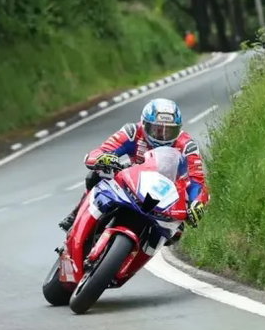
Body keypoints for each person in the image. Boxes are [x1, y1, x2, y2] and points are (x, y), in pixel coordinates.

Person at [58, 98, 207, 235]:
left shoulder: (187, 145)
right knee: (95, 176)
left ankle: (146, 247)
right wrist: (104, 158)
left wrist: (196, 202)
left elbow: (197, 180)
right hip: (132, 179)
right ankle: (77, 214)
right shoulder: (132, 132)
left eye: (169, 131)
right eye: (156, 129)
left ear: (178, 130)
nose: (162, 136)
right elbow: (100, 152)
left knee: (177, 232)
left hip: (165, 192)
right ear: (144, 124)